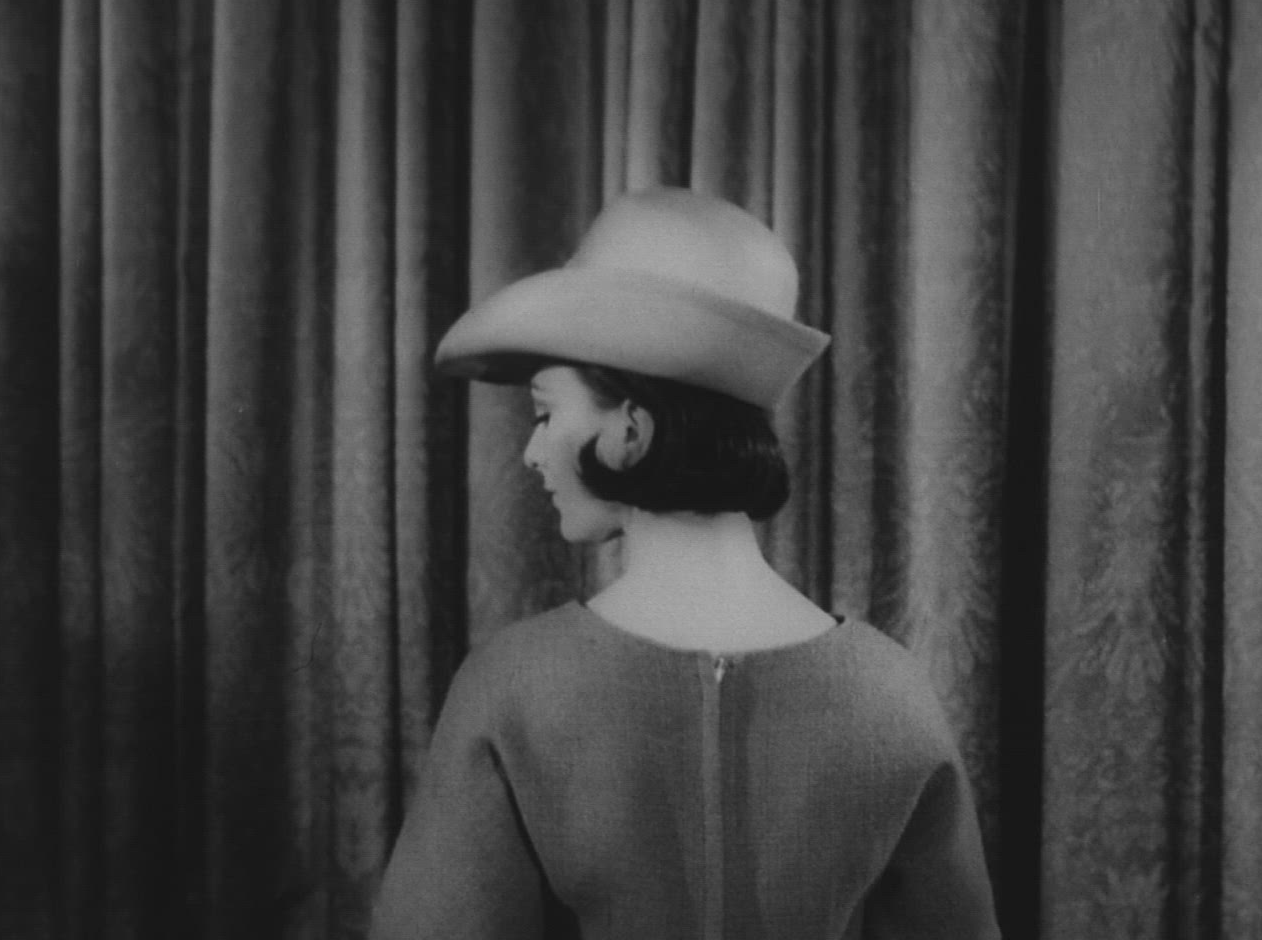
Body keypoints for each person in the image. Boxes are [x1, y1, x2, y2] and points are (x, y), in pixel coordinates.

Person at [369, 187, 1000, 939]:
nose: (532, 453)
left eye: (545, 414)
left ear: (630, 431)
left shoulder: (515, 685)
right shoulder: (893, 693)